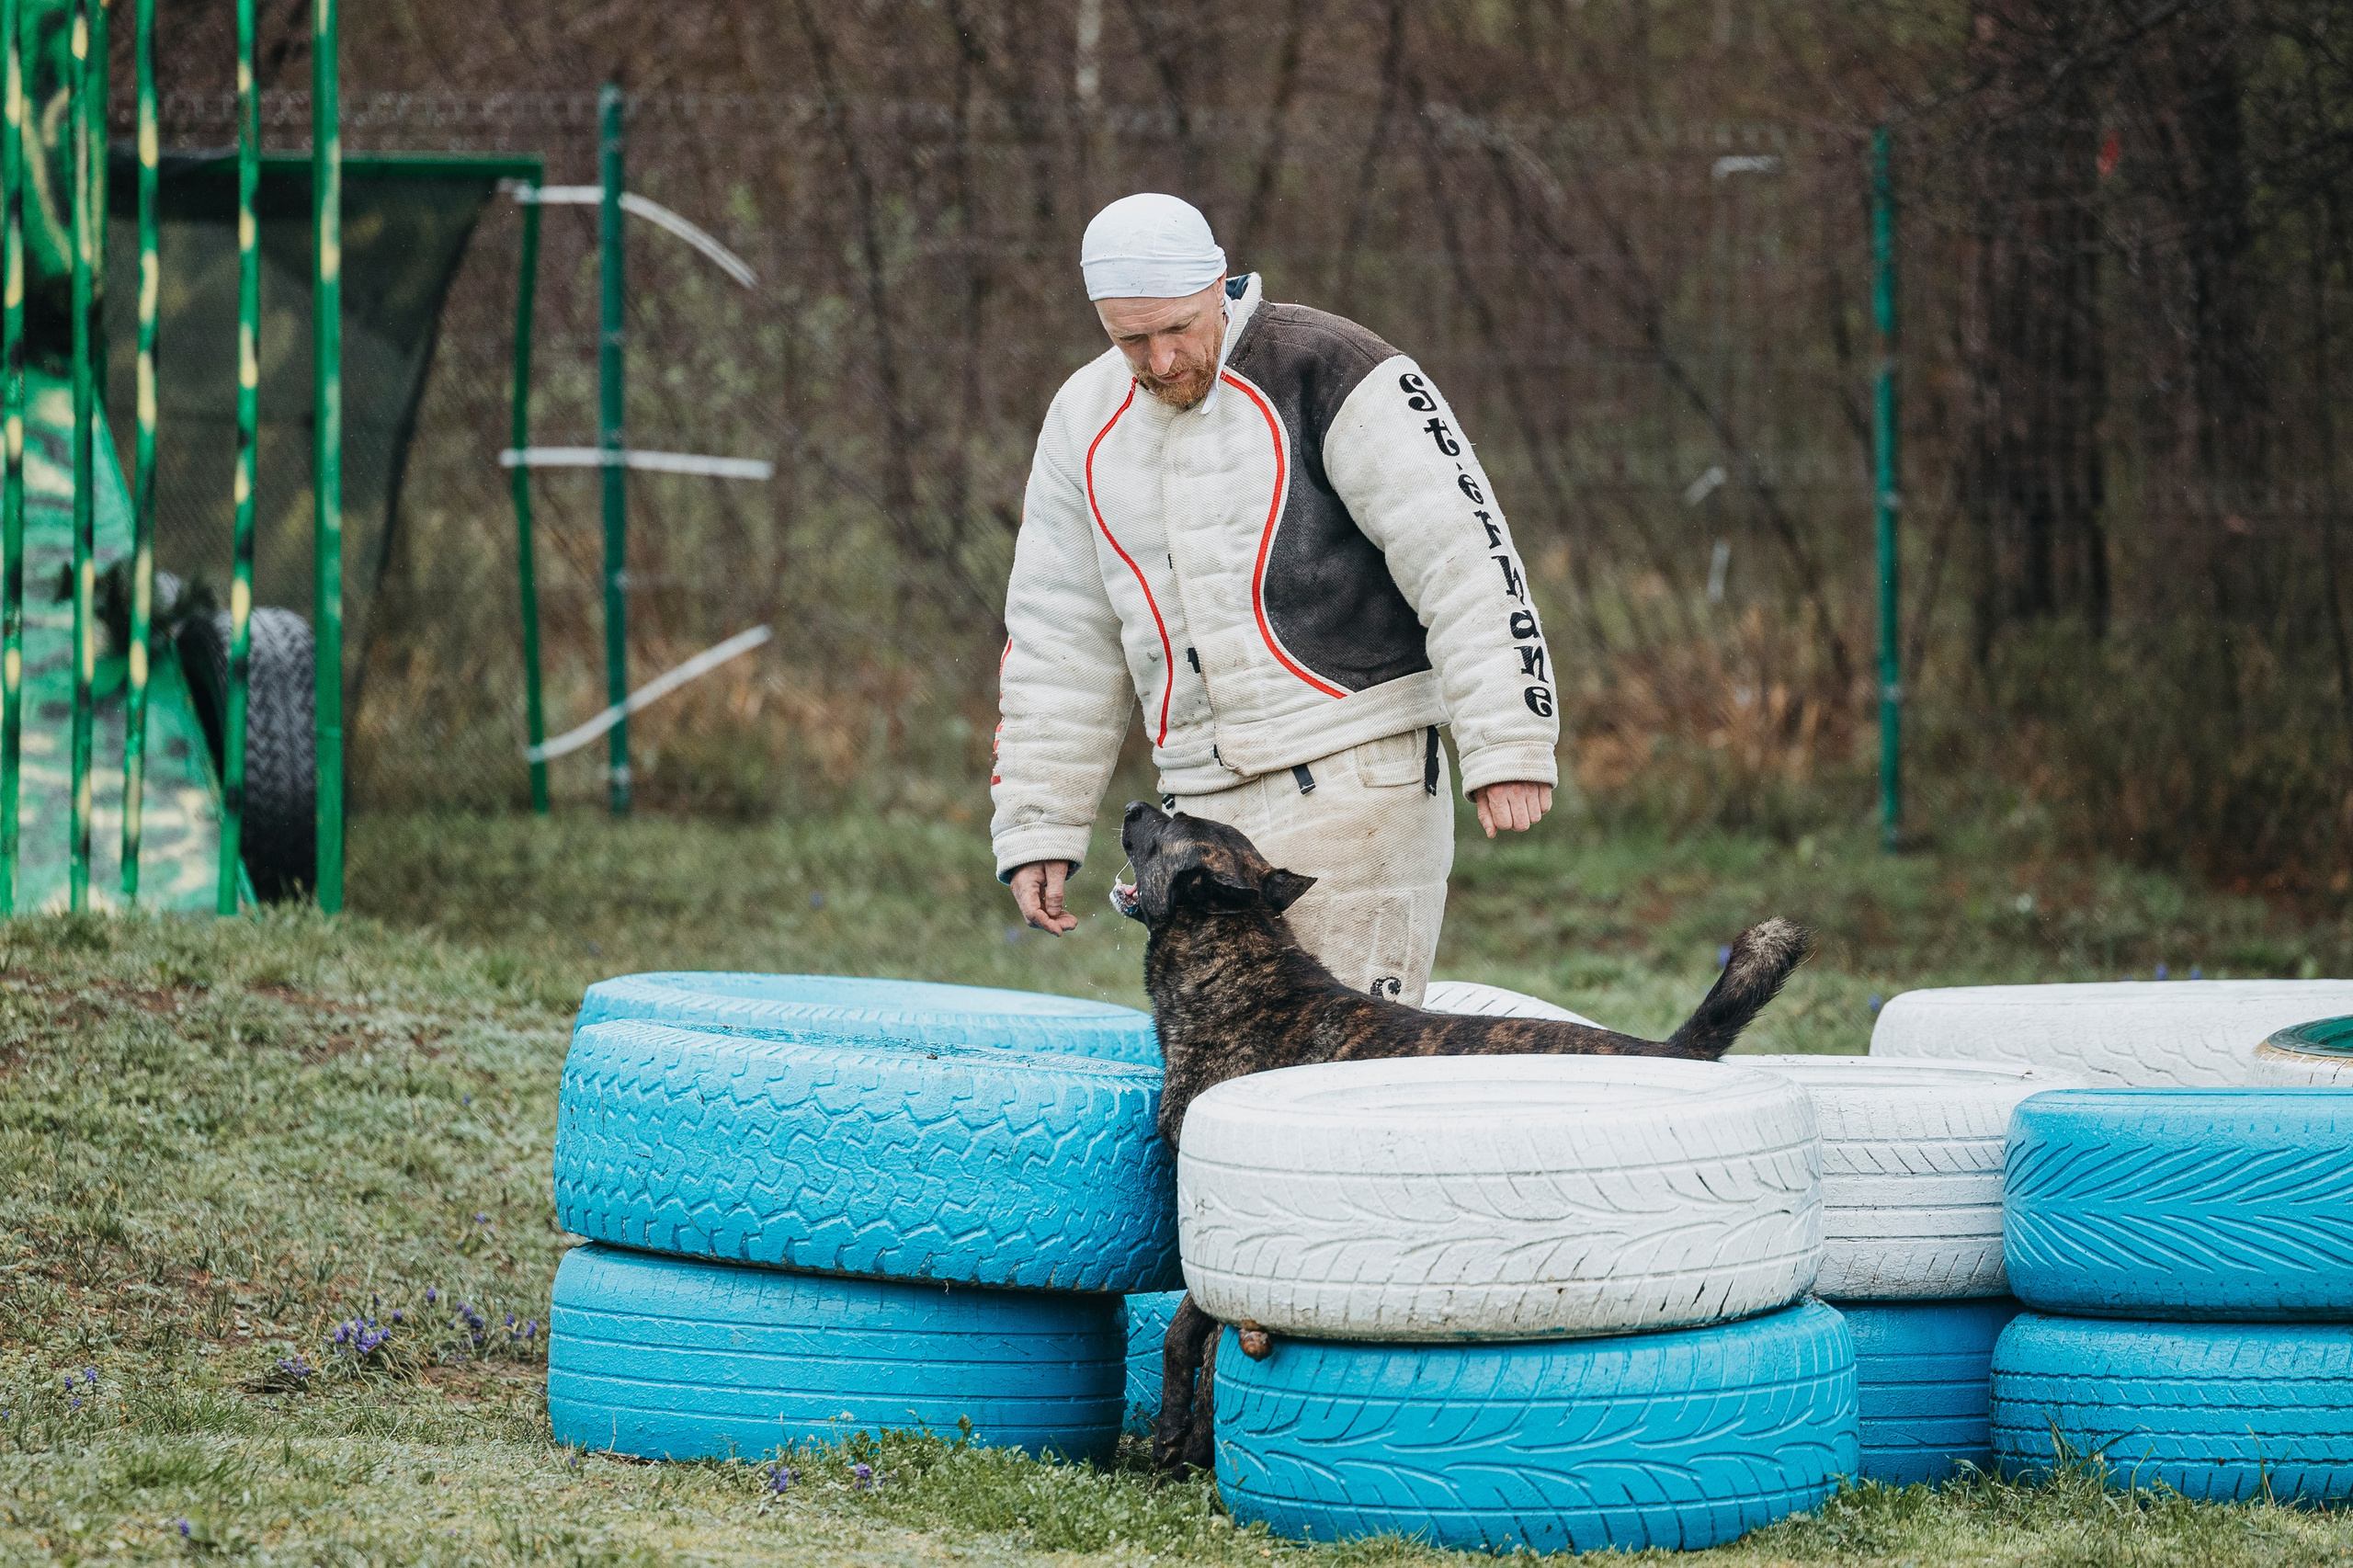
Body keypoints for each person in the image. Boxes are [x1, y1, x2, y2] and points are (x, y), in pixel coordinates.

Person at [990, 193, 1557, 1006]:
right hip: (1193, 813)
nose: (1159, 361)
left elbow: (1464, 555)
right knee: (1221, 1087)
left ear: (1219, 283)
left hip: (1362, 778)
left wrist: (1508, 740)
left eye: (1178, 328)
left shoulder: (1333, 366)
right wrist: (1040, 823)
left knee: (1331, 1093)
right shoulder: (1079, 418)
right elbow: (1057, 638)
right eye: (1130, 339)